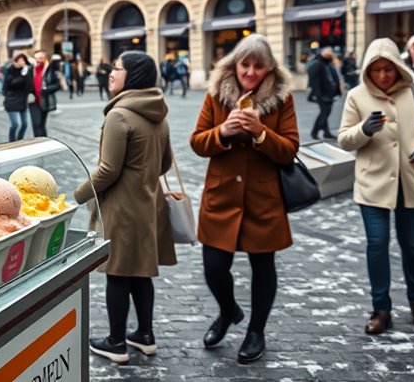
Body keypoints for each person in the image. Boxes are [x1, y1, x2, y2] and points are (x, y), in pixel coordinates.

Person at [189, 34, 299, 364]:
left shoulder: (282, 100)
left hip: (262, 199)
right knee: (214, 268)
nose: (250, 72)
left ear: (269, 69)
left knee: (263, 266)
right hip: (221, 197)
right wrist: (222, 133)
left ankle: (256, 331)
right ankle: (227, 311)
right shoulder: (216, 96)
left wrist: (261, 133)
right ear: (234, 65)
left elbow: (289, 151)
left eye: (258, 66)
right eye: (244, 64)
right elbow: (197, 142)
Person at [337, 38, 414, 335]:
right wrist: (364, 130)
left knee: (411, 244)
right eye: (377, 70)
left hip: (412, 181)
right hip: (373, 183)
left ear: (398, 67)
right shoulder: (357, 96)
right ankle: (381, 308)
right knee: (376, 244)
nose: (384, 75)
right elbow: (344, 139)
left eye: (389, 69)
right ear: (368, 70)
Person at [76, 51, 175, 365]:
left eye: (116, 69)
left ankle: (116, 342)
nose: (110, 73)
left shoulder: (119, 115)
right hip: (147, 202)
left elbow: (107, 170)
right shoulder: (157, 111)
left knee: (117, 273)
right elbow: (166, 163)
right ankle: (145, 335)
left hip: (121, 207)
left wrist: (78, 194)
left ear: (133, 76)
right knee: (140, 272)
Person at [306, 47, 340, 140]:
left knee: (325, 112)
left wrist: (337, 90)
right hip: (322, 93)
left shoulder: (328, 63)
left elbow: (334, 77)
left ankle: (326, 132)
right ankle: (314, 131)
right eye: (328, 53)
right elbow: (313, 77)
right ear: (322, 53)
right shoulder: (318, 63)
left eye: (330, 53)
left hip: (329, 93)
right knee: (324, 113)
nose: (330, 54)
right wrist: (316, 92)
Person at [28, 51, 62, 137]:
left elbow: (57, 85)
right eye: (36, 58)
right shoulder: (31, 70)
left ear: (45, 58)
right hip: (33, 101)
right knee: (36, 124)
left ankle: (44, 143)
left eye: (40, 58)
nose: (38, 60)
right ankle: (38, 143)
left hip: (45, 100)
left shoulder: (51, 70)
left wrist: (46, 89)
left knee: (41, 124)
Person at [3, 52, 32, 141]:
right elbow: (12, 83)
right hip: (12, 100)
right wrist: (23, 76)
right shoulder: (11, 70)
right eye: (19, 60)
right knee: (15, 124)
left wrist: (27, 73)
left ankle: (20, 140)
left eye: (23, 60)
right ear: (15, 61)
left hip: (23, 100)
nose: (21, 62)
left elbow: (30, 85)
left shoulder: (27, 71)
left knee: (25, 124)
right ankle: (12, 141)